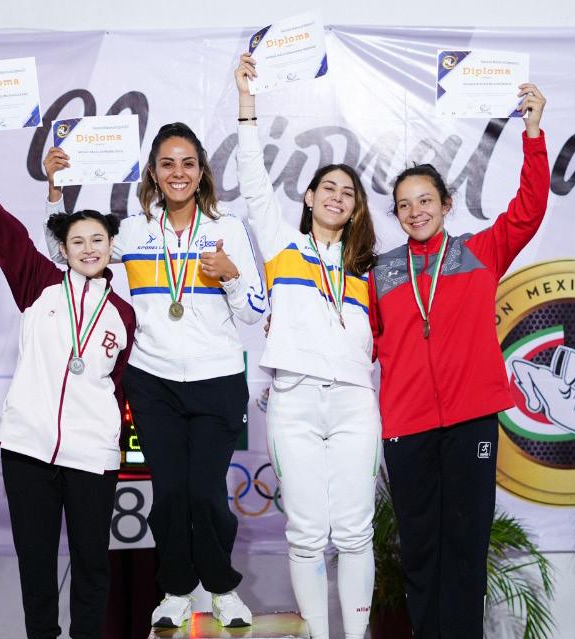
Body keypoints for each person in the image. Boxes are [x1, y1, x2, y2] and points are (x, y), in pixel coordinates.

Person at [43, 122, 265, 629]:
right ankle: (176, 590)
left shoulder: (228, 229)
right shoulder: (133, 231)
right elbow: (68, 256)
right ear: (153, 172)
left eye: (188, 163)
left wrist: (231, 275)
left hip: (217, 379)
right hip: (153, 381)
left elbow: (255, 311)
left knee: (205, 493)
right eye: (168, 164)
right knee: (168, 494)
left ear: (202, 171)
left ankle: (222, 588)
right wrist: (55, 191)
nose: (178, 173)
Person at [0, 115, 136, 639]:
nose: (89, 248)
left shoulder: (123, 314)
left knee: (93, 564)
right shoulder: (38, 285)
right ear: (63, 249)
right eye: (78, 240)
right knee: (37, 565)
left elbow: (118, 385)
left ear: (111, 247)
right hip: (28, 449)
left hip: (91, 453)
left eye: (98, 239)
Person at [369, 84, 549, 639]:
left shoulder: (478, 253)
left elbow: (528, 211)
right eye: (404, 204)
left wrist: (533, 134)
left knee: (466, 546)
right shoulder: (381, 273)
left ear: (446, 205)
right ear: (396, 215)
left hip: (471, 419)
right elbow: (357, 340)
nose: (415, 211)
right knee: (420, 550)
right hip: (407, 427)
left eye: (425, 200)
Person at [233, 53, 380, 639]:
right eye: (329, 188)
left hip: (353, 403)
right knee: (306, 533)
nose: (337, 197)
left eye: (348, 192)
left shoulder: (369, 269)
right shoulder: (282, 246)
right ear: (310, 196)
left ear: (356, 208)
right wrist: (247, 102)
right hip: (293, 400)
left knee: (356, 533)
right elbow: (252, 178)